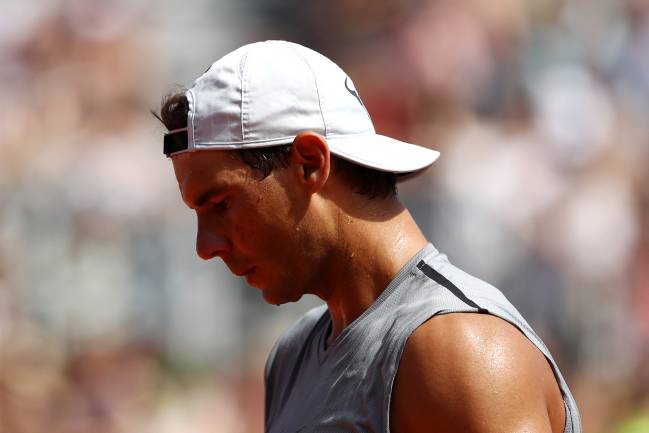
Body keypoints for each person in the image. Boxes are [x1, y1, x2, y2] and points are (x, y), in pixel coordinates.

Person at [156, 40, 581, 433]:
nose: (205, 246)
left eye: (221, 205)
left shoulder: (459, 351)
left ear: (309, 164)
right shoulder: (292, 355)